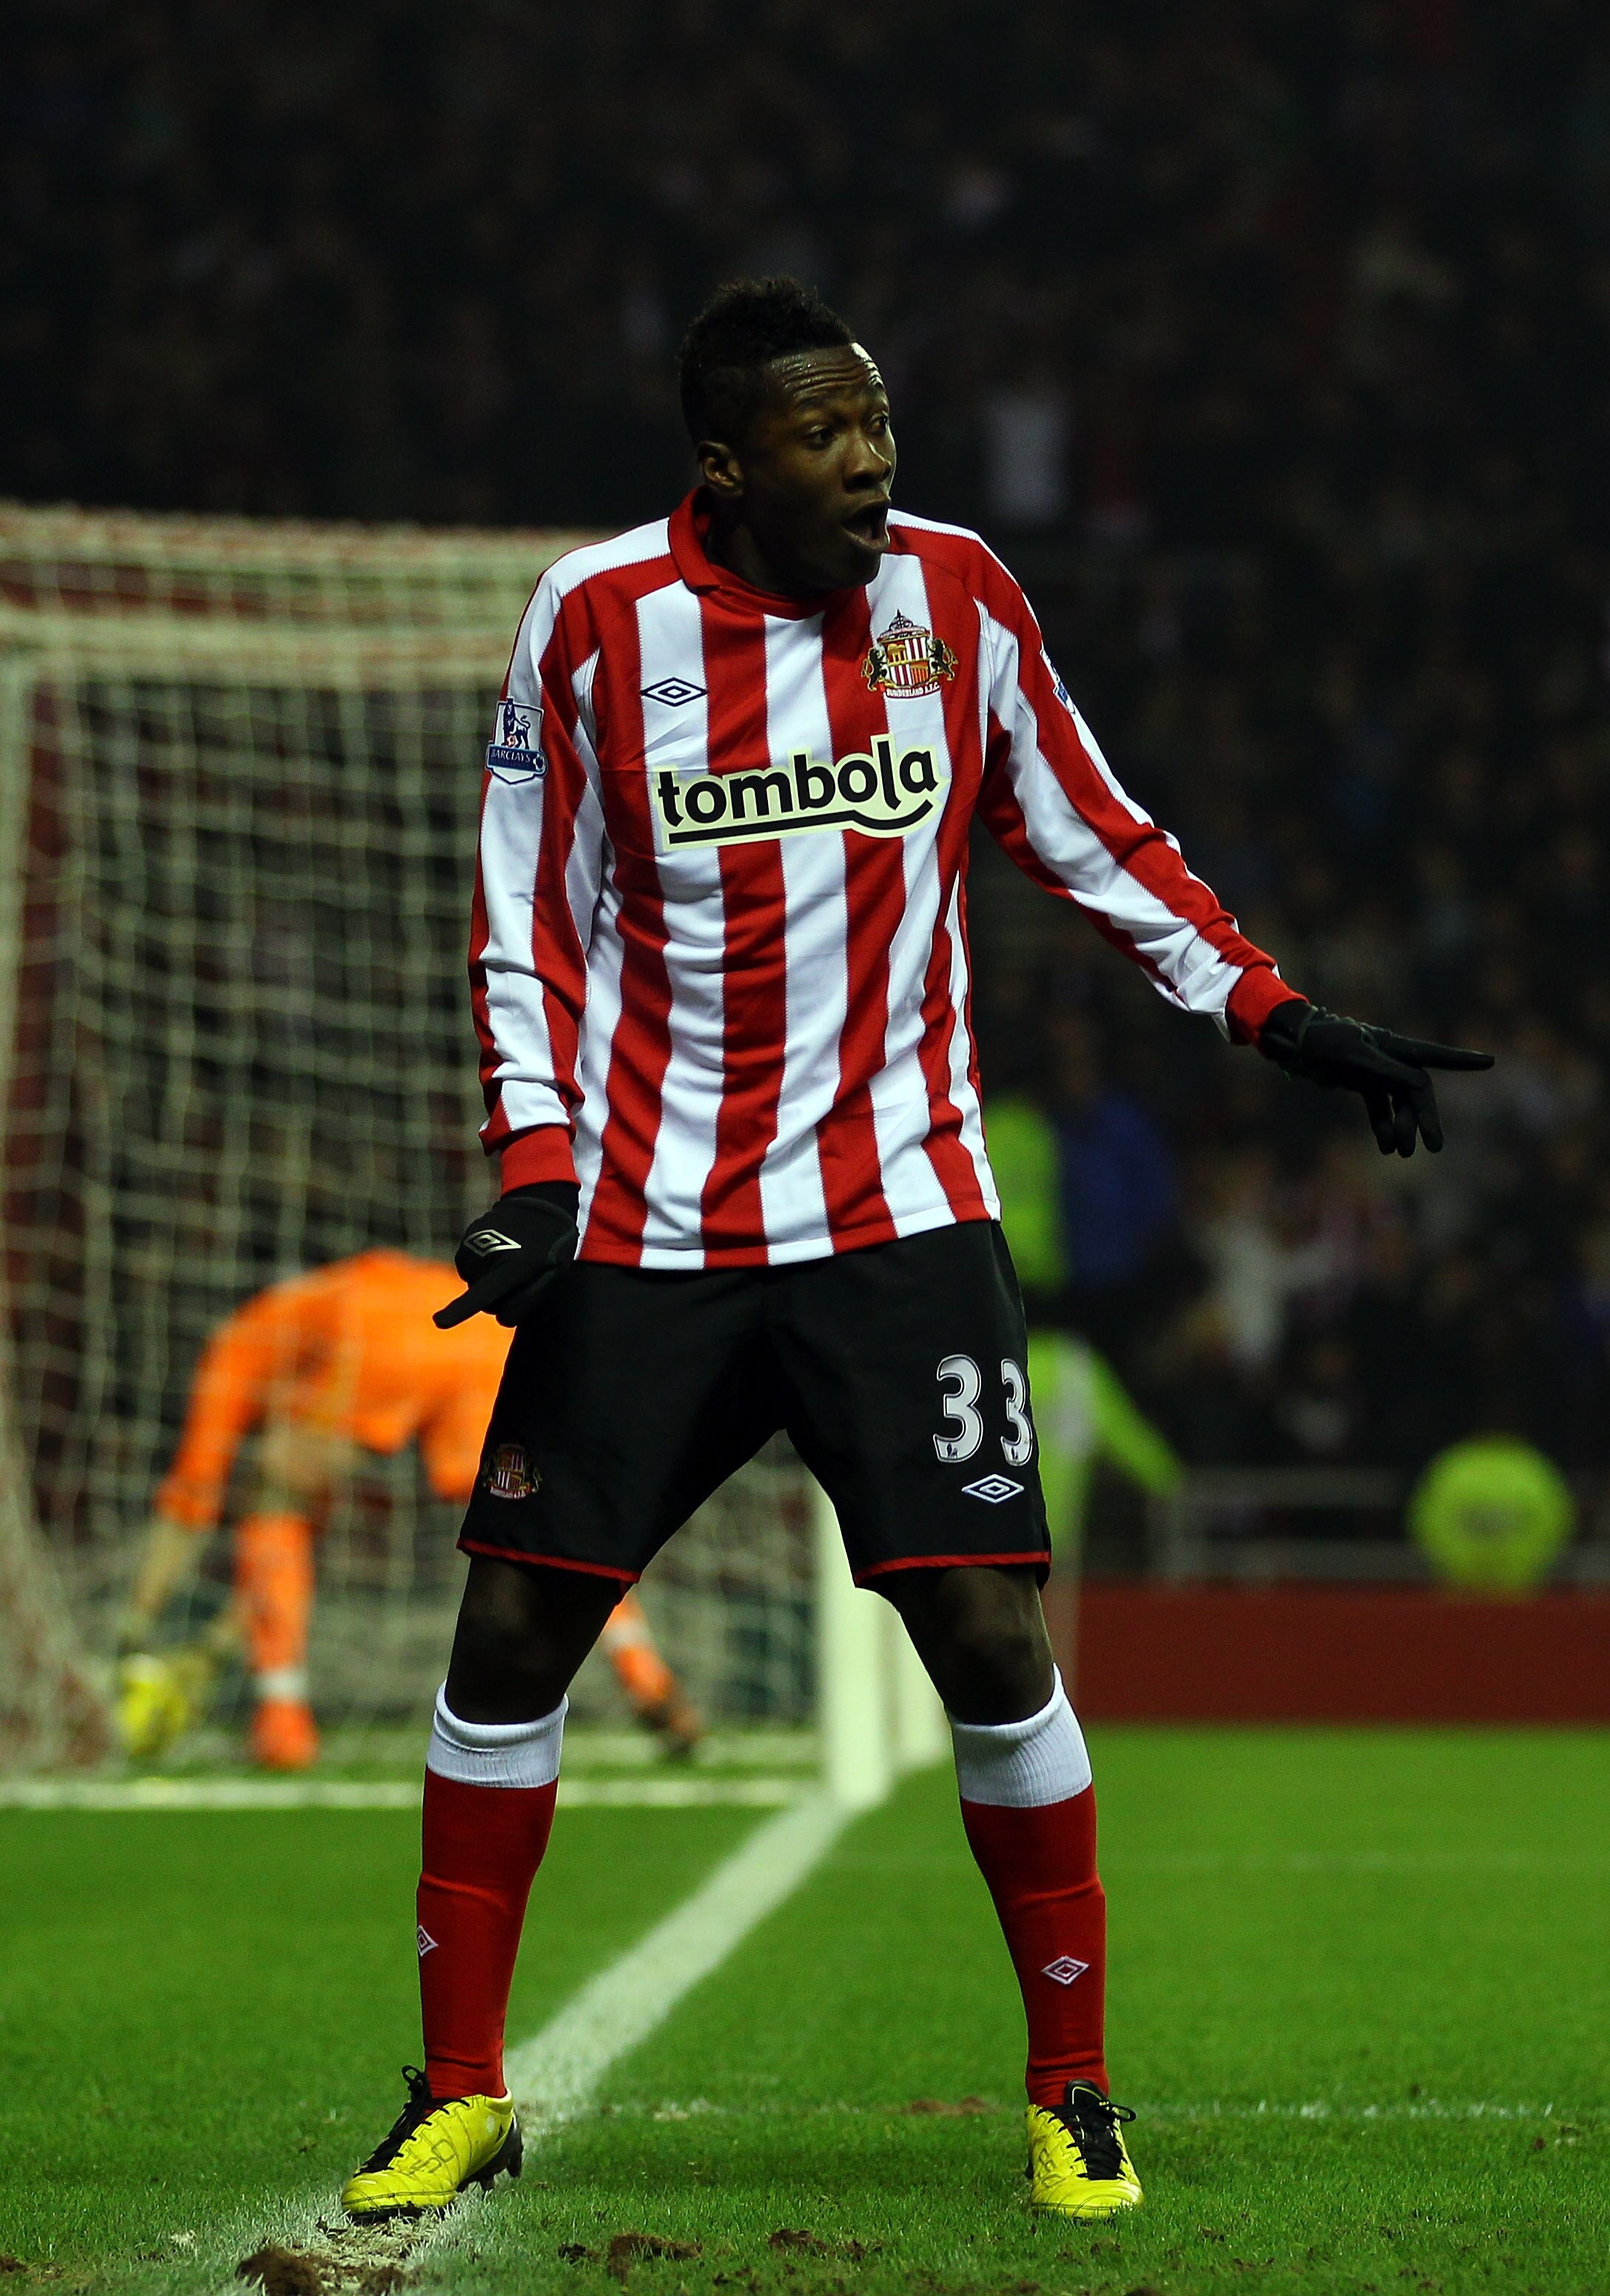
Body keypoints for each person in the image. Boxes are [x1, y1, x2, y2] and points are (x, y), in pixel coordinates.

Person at [340, 278, 1492, 2226]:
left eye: (877, 423)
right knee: (513, 1633)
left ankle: (1073, 2092)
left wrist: (1275, 1014)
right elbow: (523, 909)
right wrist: (535, 1168)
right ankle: (458, 2088)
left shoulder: (954, 598)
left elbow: (1092, 833)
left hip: (901, 1218)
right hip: (648, 1224)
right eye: (824, 433)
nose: (872, 459)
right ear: (729, 460)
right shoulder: (596, 623)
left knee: (988, 1639)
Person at [117, 1251, 700, 1769]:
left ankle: (282, 1722)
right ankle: (648, 1680)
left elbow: (189, 1500)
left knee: (275, 1502)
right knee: (539, 1522)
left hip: (384, 1336)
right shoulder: (299, 1323)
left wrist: (137, 1630)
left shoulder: (233, 1353)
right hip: (480, 1333)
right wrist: (218, 1645)